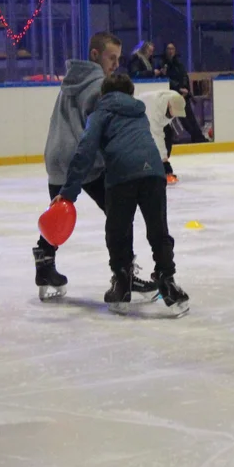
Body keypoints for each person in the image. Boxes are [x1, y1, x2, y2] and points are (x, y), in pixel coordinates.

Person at [33, 32, 156, 301]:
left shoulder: (71, 79)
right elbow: (99, 127)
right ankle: (124, 273)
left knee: (58, 214)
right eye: (111, 58)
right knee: (120, 214)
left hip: (56, 155)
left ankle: (44, 267)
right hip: (82, 160)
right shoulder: (99, 85)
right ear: (95, 55)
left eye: (118, 58)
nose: (115, 64)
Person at [55, 74, 189, 316]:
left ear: (104, 94)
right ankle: (167, 281)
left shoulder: (100, 113)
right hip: (154, 173)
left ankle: (122, 282)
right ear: (130, 93)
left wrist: (68, 193)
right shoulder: (139, 112)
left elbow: (85, 151)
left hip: (121, 176)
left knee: (118, 230)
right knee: (158, 230)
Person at [160, 42, 208, 143]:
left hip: (183, 95)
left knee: (191, 118)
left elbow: (184, 76)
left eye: (172, 48)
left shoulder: (179, 64)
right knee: (184, 119)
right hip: (173, 95)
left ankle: (199, 138)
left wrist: (186, 89)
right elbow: (166, 79)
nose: (170, 51)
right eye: (168, 49)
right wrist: (179, 88)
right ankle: (195, 137)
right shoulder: (163, 64)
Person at [138, 88, 186, 185]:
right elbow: (157, 135)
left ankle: (159, 165)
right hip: (140, 118)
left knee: (168, 136)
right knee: (149, 142)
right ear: (169, 105)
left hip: (156, 119)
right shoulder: (155, 109)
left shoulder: (176, 99)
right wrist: (165, 162)